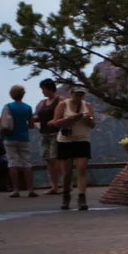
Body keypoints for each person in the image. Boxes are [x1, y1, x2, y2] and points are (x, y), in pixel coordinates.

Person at [50, 83, 95, 211]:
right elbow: (56, 122)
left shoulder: (88, 106)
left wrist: (88, 120)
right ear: (71, 94)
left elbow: (92, 124)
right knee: (67, 172)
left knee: (82, 168)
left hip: (82, 139)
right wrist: (71, 119)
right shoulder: (63, 105)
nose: (79, 97)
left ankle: (82, 197)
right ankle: (66, 195)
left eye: (81, 94)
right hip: (65, 141)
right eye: (77, 94)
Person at [2, 84, 37, 197]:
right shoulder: (27, 108)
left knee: (12, 163)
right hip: (23, 138)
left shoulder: (7, 106)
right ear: (23, 94)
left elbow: (3, 122)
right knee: (26, 163)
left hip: (9, 138)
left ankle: (16, 189)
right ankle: (30, 189)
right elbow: (31, 125)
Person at [33, 78, 62, 196]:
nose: (42, 92)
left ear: (49, 88)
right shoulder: (42, 103)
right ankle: (54, 185)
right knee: (48, 159)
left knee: (55, 159)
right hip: (44, 133)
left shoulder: (60, 101)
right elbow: (38, 117)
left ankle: (64, 183)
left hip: (56, 133)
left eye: (43, 89)